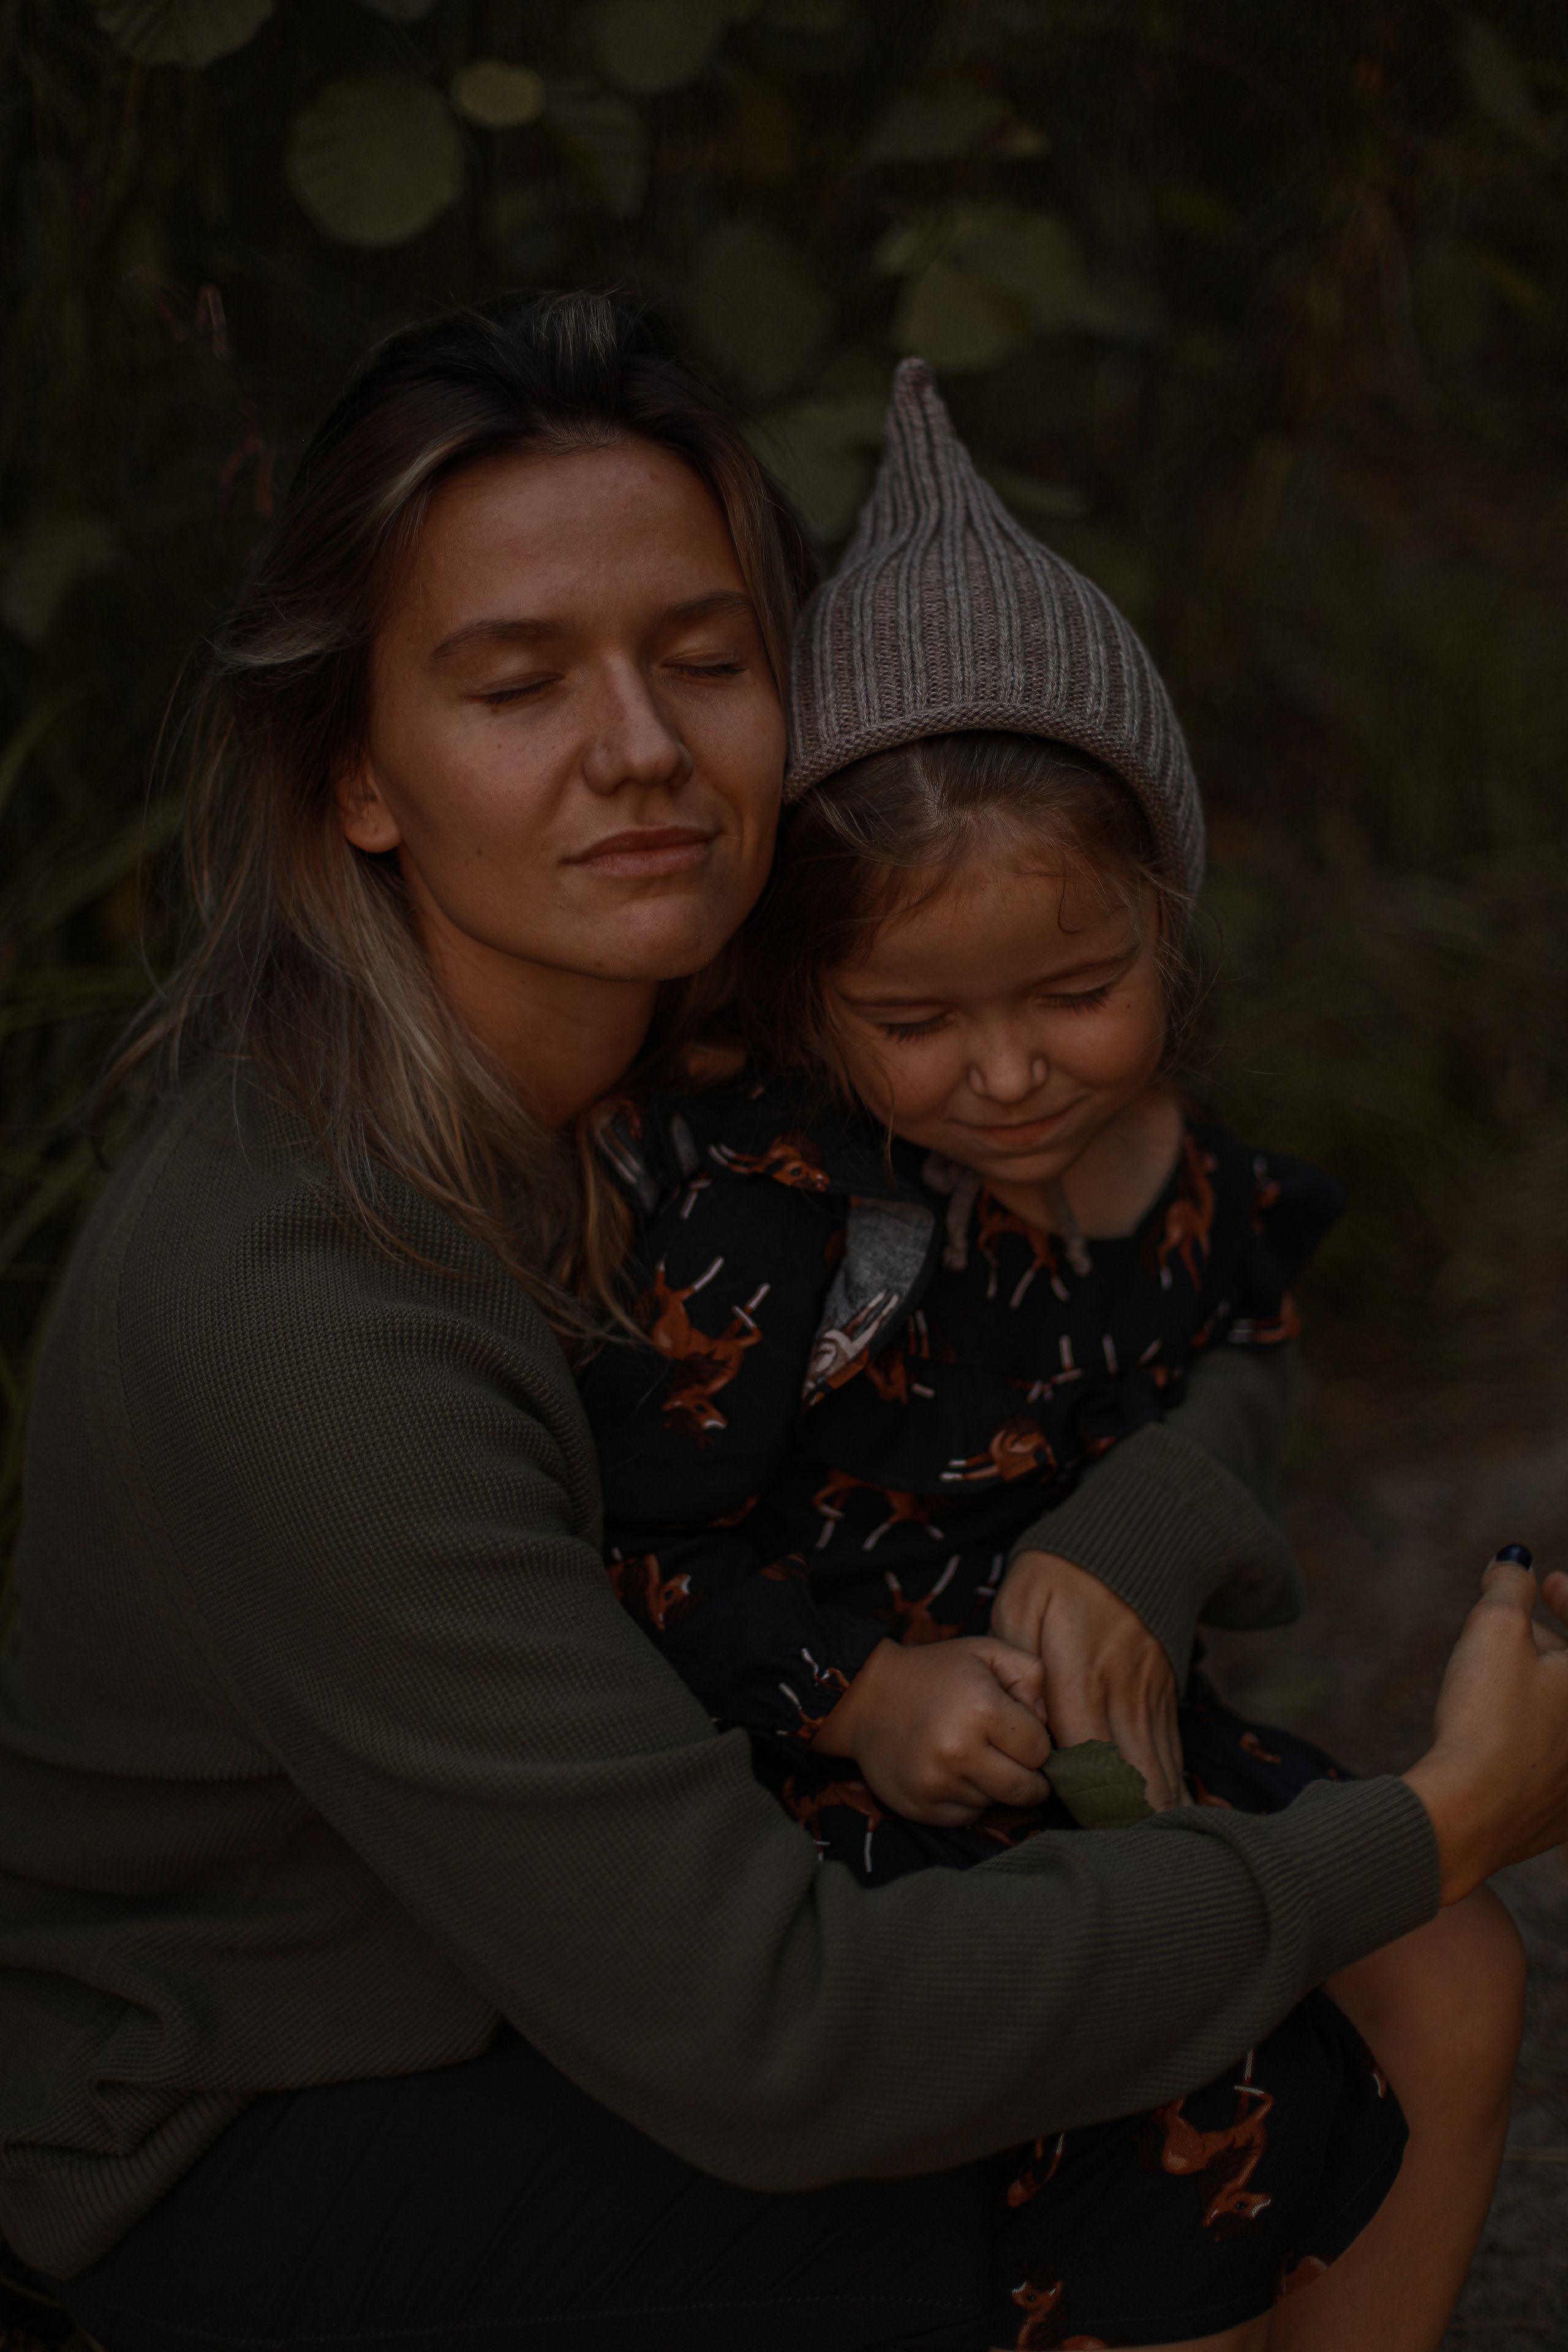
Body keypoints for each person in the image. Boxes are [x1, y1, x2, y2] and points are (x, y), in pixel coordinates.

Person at [0, 292, 1562, 2352]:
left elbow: (1188, 1297)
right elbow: (789, 2037)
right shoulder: (309, 1312)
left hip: (610, 1939)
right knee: (1100, 2138)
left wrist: (1143, 1529)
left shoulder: (774, 1058)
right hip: (252, 2111)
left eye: (707, 661)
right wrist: (1429, 1826)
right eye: (513, 682)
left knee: (1242, 2044)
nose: (639, 745)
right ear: (358, 779)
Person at [573, 359, 1526, 2348]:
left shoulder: (1169, 1164)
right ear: (809, 995)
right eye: (916, 1021)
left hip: (1111, 1751)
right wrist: (860, 1693)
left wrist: (1149, 1529)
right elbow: (640, 1555)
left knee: (1453, 1961)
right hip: (874, 1780)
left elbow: (1241, 1345)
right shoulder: (784, 1217)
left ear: (1166, 928)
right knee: (1211, 2103)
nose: (1009, 1074)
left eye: (1080, 993)